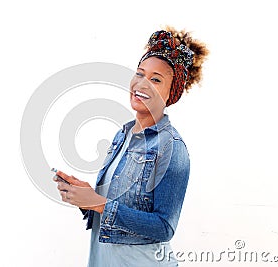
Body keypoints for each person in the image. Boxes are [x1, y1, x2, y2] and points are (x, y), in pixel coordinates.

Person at [53, 26, 209, 266]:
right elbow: (116, 209)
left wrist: (99, 202)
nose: (142, 84)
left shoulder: (171, 148)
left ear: (171, 93)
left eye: (156, 79)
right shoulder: (121, 135)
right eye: (140, 73)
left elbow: (164, 227)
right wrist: (86, 197)